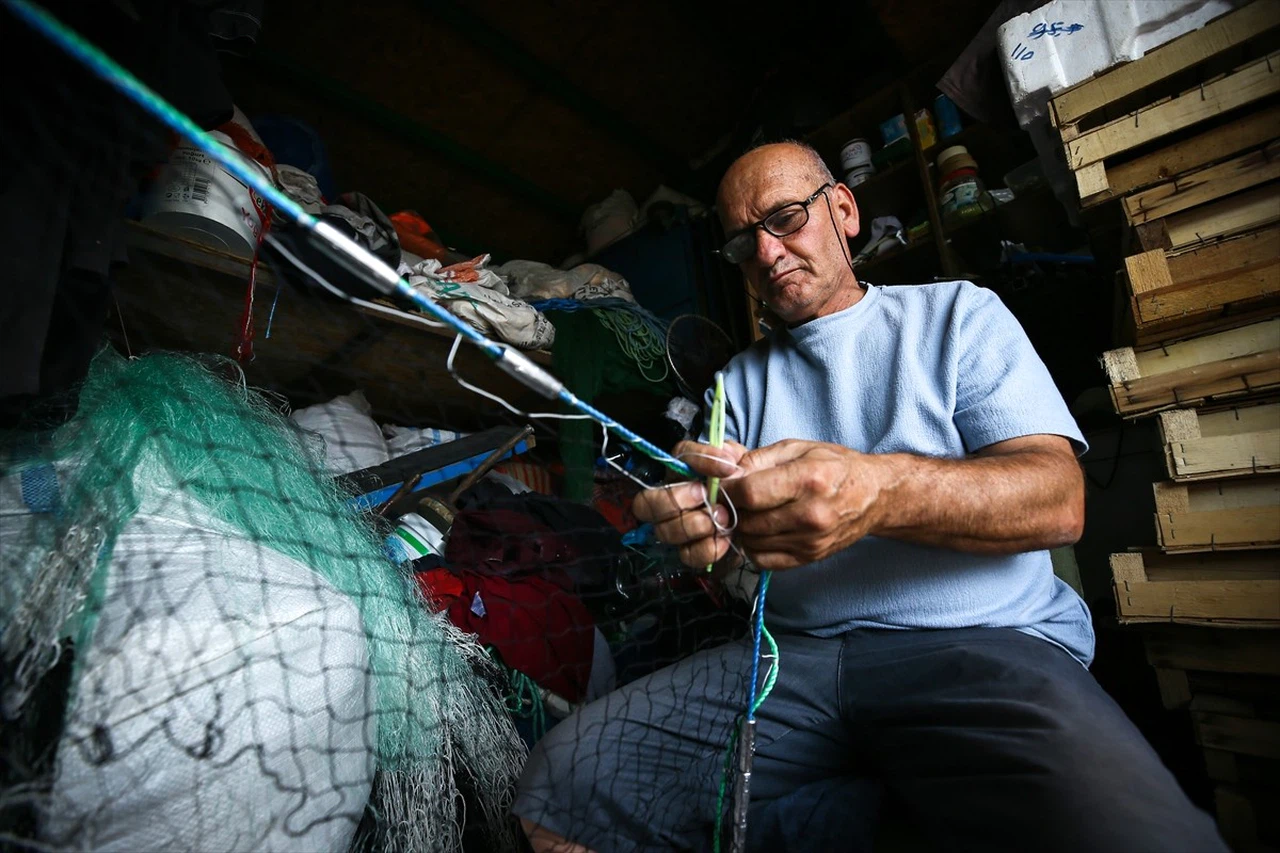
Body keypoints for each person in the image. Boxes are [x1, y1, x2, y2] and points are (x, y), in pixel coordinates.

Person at [512, 141, 1225, 853]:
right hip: (793, 664)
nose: (766, 252)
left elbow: (1058, 499)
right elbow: (729, 560)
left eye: (786, 218)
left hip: (979, 644)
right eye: (741, 241)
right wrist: (703, 534)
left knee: (1140, 834)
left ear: (845, 210)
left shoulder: (957, 316)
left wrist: (876, 490)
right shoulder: (740, 383)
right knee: (560, 789)